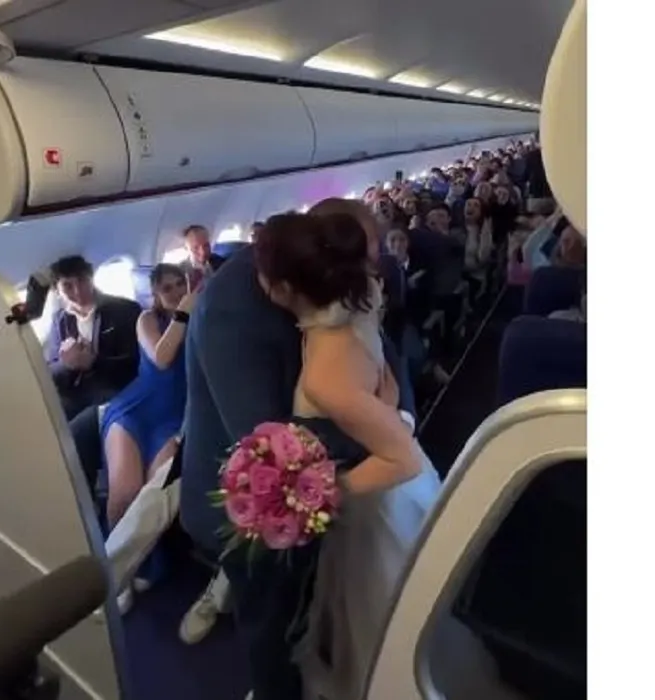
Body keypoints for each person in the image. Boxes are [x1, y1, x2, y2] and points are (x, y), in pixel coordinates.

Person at [179, 199, 417, 700]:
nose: (366, 274)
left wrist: (396, 420)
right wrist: (379, 429)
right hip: (252, 497)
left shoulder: (341, 277)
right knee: (272, 623)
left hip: (334, 478)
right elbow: (264, 438)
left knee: (331, 610)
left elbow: (382, 351)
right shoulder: (233, 310)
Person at [97, 263, 193, 610]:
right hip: (135, 409)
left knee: (152, 495)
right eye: (167, 288)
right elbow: (162, 358)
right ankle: (113, 575)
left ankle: (146, 561)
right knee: (123, 494)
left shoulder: (202, 318)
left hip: (173, 417)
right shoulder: (147, 320)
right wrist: (183, 314)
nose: (176, 292)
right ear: (155, 294)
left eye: (180, 284)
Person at [42, 255, 143, 420]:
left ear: (91, 278)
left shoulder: (125, 310)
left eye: (82, 280)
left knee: (75, 430)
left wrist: (93, 361)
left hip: (113, 392)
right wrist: (66, 364)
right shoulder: (60, 320)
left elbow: (135, 364)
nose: (77, 291)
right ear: (57, 292)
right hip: (74, 394)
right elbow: (51, 372)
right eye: (67, 286)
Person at [177, 224, 226, 290]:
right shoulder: (179, 272)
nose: (203, 252)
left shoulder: (222, 262)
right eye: (195, 248)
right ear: (186, 248)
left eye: (206, 245)